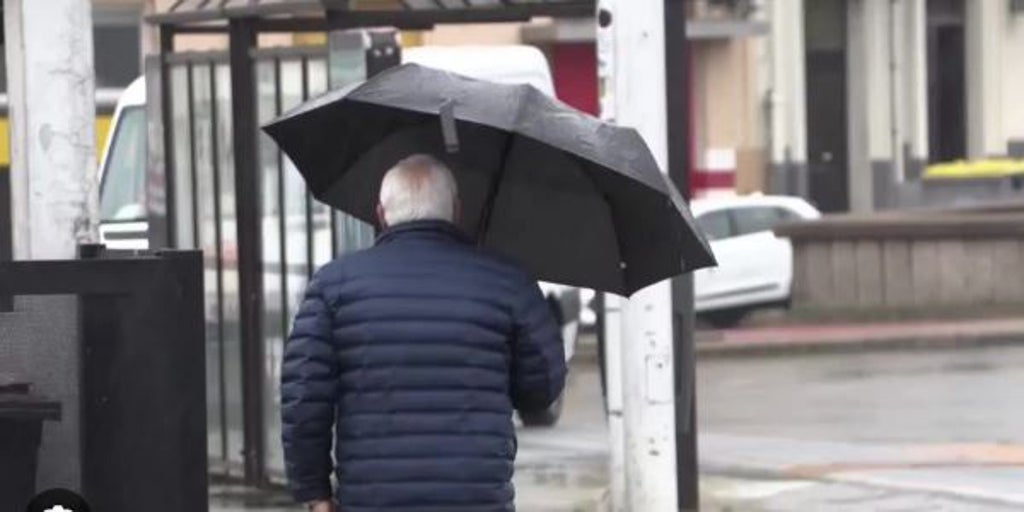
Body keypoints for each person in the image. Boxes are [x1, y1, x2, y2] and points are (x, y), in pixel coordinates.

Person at [281, 153, 568, 512]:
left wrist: (314, 491)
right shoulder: (506, 282)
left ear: (381, 214)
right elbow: (541, 390)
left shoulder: (334, 285)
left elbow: (304, 396)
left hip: (373, 501)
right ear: (456, 211)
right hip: (475, 498)